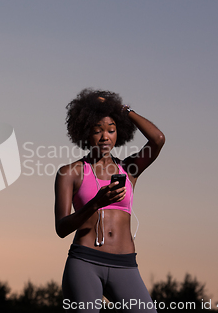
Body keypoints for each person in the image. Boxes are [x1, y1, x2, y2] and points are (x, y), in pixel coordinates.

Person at [55, 88, 165, 312]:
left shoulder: (129, 169)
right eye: (98, 130)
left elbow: (157, 139)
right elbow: (61, 227)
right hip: (85, 262)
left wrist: (124, 111)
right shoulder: (70, 173)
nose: (105, 136)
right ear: (86, 132)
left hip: (125, 264)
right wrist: (95, 203)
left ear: (119, 133)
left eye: (111, 130)